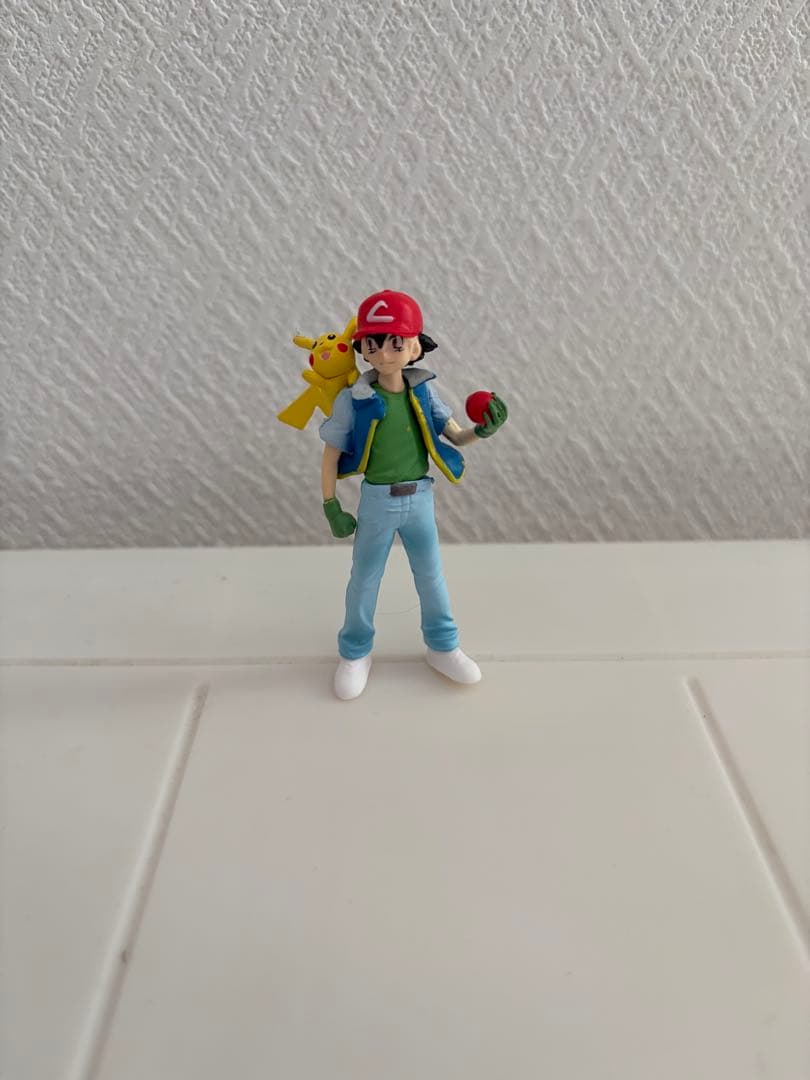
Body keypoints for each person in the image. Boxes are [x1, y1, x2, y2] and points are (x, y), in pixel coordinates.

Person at [319, 290, 508, 700]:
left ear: (415, 347)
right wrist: (331, 504)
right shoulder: (354, 399)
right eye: (373, 344)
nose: (384, 353)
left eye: (395, 342)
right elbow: (331, 453)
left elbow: (454, 434)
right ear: (363, 350)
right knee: (364, 578)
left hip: (421, 498)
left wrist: (482, 430)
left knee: (431, 575)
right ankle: (355, 652)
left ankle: (443, 646)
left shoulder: (423, 392)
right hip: (377, 501)